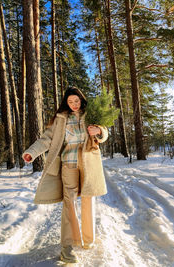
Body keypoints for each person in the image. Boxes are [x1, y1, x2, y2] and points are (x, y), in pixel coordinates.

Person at [22, 87, 108, 263]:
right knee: (69, 204)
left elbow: (105, 132)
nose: (74, 105)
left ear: (81, 100)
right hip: (68, 164)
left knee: (87, 201)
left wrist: (99, 131)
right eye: (70, 102)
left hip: (88, 164)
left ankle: (88, 239)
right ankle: (67, 246)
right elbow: (46, 139)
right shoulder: (60, 119)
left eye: (76, 101)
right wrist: (32, 152)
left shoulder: (90, 115)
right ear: (66, 103)